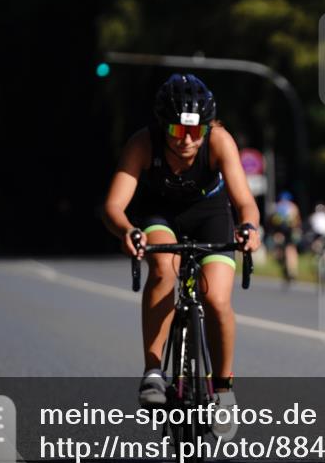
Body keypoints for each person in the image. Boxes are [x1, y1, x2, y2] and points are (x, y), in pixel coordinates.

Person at [102, 74, 261, 440]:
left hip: (211, 215)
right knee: (163, 268)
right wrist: (128, 231)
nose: (187, 139)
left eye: (196, 130)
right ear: (163, 123)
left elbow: (245, 202)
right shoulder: (143, 143)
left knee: (216, 299)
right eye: (178, 129)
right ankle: (154, 372)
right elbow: (114, 205)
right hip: (160, 214)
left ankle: (223, 389)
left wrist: (250, 228)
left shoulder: (219, 140)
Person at [268, 191, 301, 283]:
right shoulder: (293, 207)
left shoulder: (276, 207)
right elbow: (297, 220)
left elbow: (271, 221)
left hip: (281, 231)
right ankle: (292, 271)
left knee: (281, 249)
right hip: (290, 230)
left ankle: (287, 269)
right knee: (291, 250)